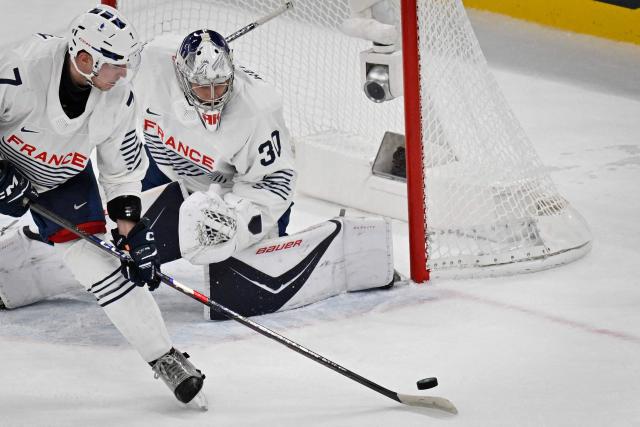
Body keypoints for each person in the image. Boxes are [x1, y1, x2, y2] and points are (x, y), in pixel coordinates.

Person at [0, 5, 206, 408]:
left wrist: (132, 232)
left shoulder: (119, 99)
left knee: (101, 263)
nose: (123, 74)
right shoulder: (20, 69)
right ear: (84, 58)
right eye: (115, 65)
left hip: (62, 177)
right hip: (4, 167)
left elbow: (121, 172)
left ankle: (164, 356)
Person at [135, 29, 397, 319]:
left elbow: (276, 183)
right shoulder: (150, 63)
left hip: (232, 191)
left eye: (220, 87)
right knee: (126, 249)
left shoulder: (257, 110)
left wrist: (236, 225)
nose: (211, 98)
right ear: (182, 77)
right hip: (164, 170)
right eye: (201, 88)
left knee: (247, 285)